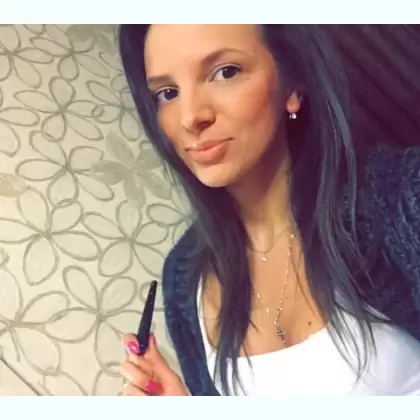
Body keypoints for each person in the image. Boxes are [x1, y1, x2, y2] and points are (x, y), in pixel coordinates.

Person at [117, 24, 420, 396]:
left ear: (292, 84)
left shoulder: (397, 198)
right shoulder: (183, 280)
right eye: (168, 93)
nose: (189, 117)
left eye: (225, 72)